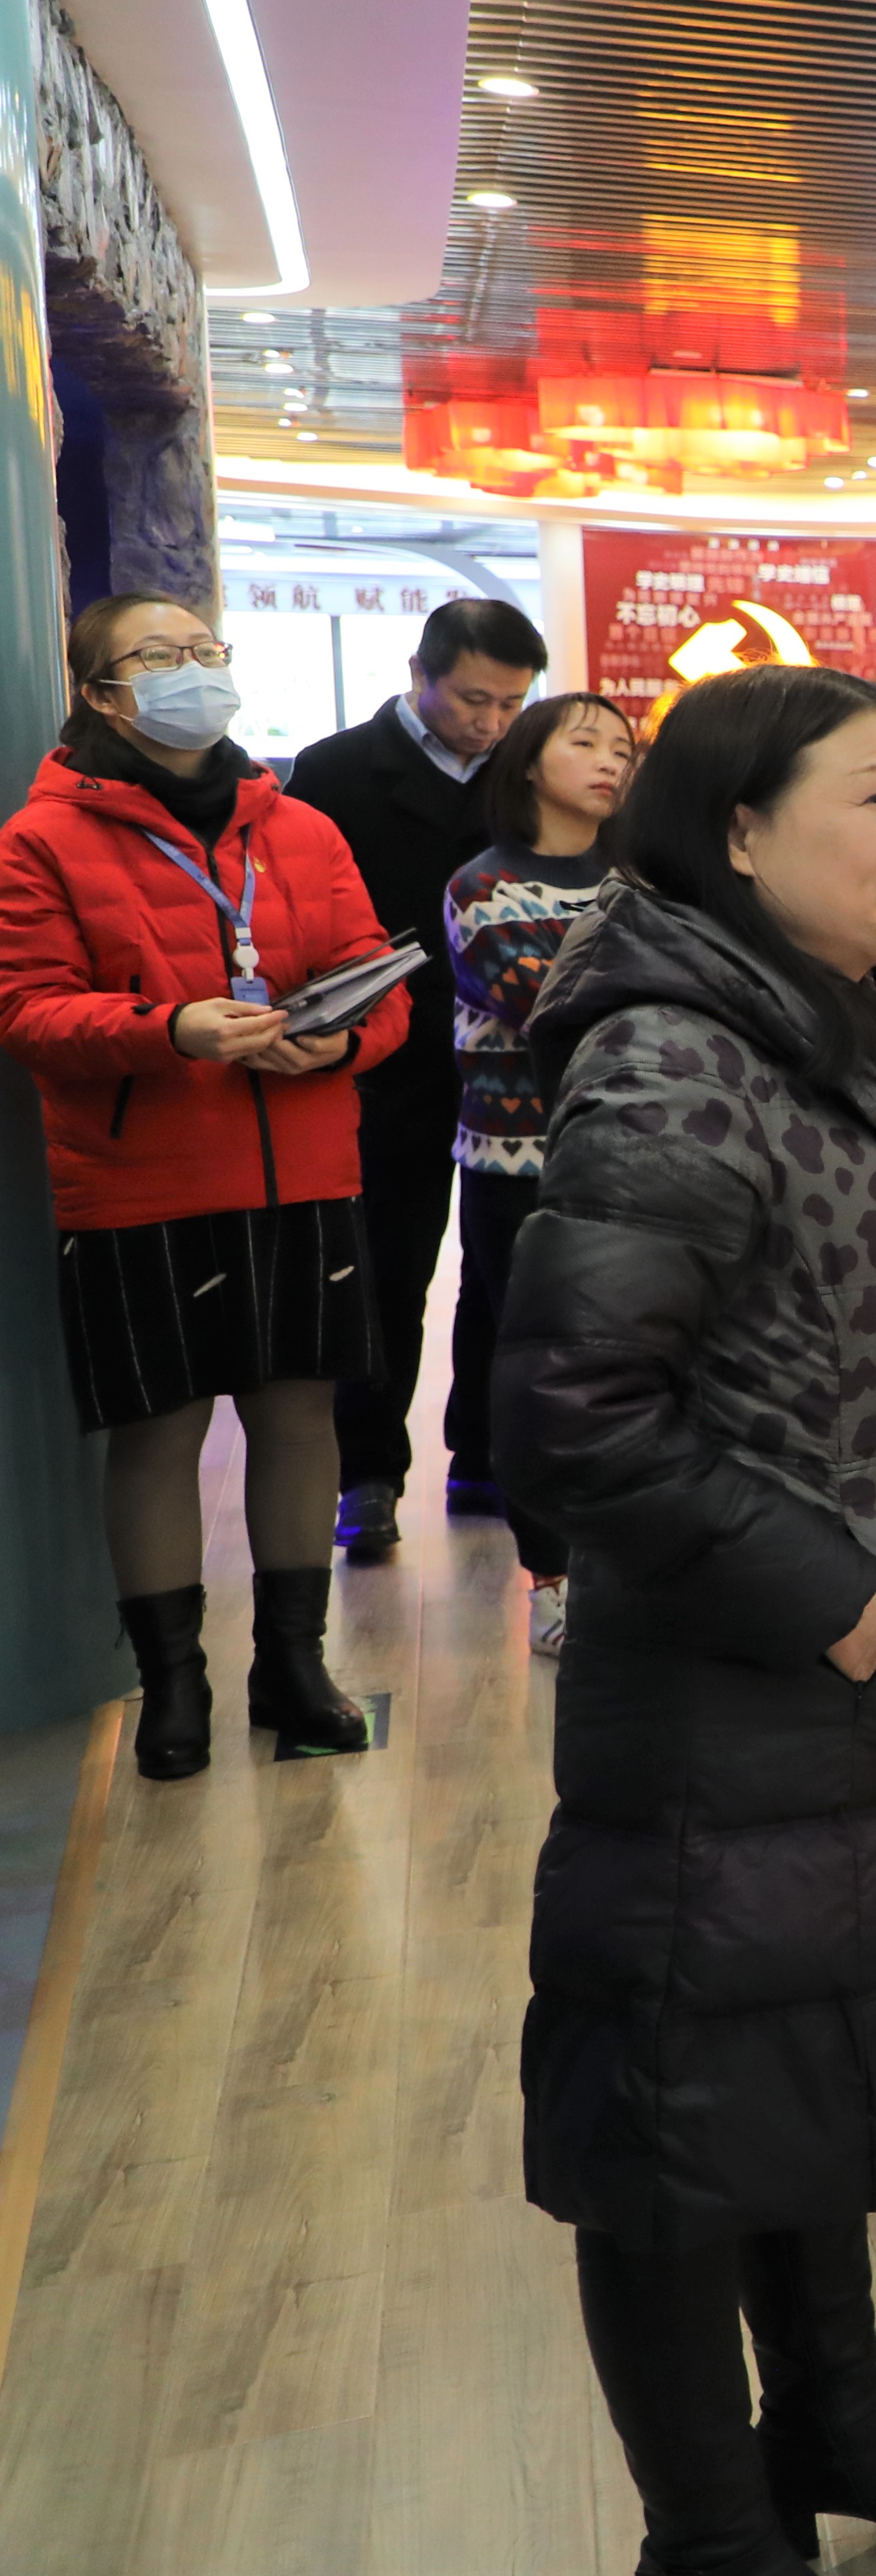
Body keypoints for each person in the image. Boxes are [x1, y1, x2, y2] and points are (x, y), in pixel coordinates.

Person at [496, 666, 876, 2573]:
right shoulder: (677, 1053)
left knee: (812, 2061)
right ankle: (716, 2527)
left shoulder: (855, 1023)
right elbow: (571, 1410)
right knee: (678, 2112)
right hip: (739, 1676)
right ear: (737, 832)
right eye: (874, 799)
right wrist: (838, 1601)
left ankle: (835, 2419)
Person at [0, 594, 393, 1777]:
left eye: (205, 651)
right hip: (141, 1179)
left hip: (304, 1167)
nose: (194, 671)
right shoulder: (42, 838)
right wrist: (170, 1029)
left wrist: (343, 1038)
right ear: (101, 695)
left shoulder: (299, 826)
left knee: (300, 1415)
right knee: (159, 1433)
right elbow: (29, 1012)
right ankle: (174, 1684)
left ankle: (295, 1666)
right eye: (160, 656)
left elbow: (376, 977)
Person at [285, 592, 544, 1554]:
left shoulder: (523, 773)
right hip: (388, 1058)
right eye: (474, 699)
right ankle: (367, 1472)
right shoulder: (335, 769)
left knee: (505, 1269)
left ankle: (483, 1455)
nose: (491, 722)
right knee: (387, 1265)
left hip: (508, 1061)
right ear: (419, 676)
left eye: (512, 704)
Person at [442, 689, 637, 1657]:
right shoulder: (485, 886)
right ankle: (551, 1578)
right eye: (586, 742)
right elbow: (552, 1003)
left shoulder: (641, 881)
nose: (610, 761)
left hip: (636, 1152)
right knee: (539, 1374)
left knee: (632, 1365)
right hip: (520, 1165)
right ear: (527, 762)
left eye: (623, 750)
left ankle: (631, 1568)